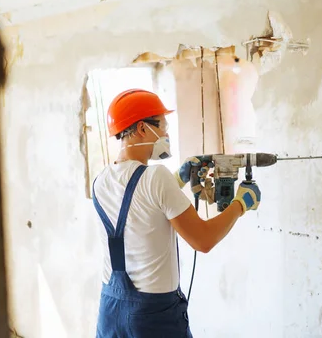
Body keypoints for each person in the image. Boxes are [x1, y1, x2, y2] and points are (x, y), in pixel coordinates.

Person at [91, 88, 262, 338]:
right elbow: (203, 240)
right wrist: (241, 203)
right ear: (141, 128)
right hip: (152, 316)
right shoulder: (156, 177)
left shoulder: (101, 180)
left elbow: (141, 204)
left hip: (110, 309)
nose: (166, 134)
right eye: (162, 126)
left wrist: (179, 179)